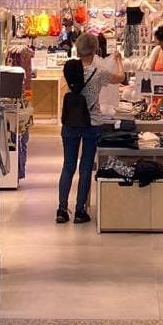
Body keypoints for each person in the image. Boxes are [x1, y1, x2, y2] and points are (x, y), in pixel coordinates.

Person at [57, 33, 124, 224]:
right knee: (86, 166)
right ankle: (80, 210)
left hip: (70, 122)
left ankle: (61, 209)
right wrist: (118, 61)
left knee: (68, 166)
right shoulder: (99, 72)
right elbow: (120, 78)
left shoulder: (70, 68)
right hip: (92, 123)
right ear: (95, 49)